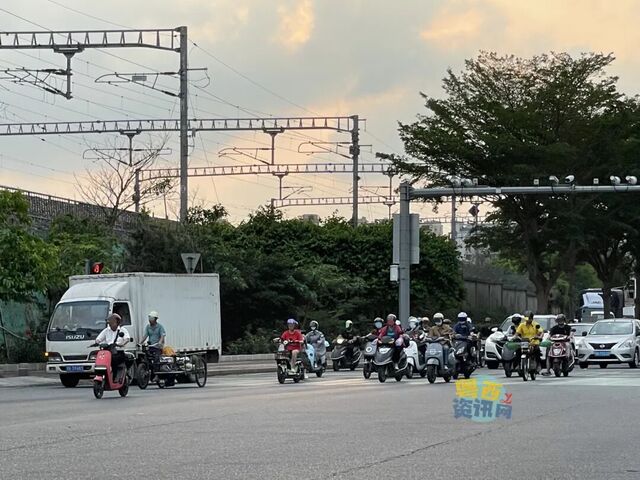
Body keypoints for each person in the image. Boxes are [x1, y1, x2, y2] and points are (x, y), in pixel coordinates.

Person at [94, 313, 130, 381]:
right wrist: (97, 342)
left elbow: (127, 339)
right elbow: (99, 338)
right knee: (99, 359)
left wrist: (122, 344)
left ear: (116, 322)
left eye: (111, 321)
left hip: (118, 352)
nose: (109, 323)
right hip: (107, 352)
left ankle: (114, 377)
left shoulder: (122, 330)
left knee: (113, 360)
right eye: (109, 322)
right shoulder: (106, 330)